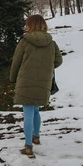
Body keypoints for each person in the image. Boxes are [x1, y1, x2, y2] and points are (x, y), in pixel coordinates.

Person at [10, 14, 62, 158]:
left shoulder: (25, 41)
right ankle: (36, 137)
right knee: (36, 110)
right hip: (44, 81)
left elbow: (16, 62)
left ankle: (28, 147)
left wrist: (13, 78)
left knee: (27, 112)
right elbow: (59, 61)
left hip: (26, 80)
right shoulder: (51, 42)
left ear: (30, 25)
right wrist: (46, 68)